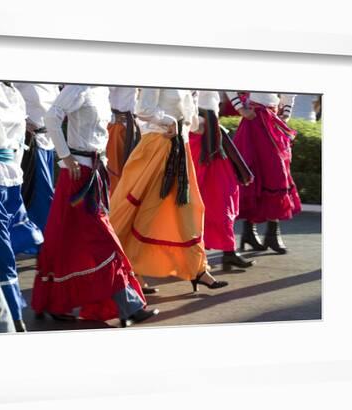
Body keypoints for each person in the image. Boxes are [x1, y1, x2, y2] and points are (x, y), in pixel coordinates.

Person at [31, 85, 159, 327]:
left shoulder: (101, 90)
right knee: (104, 240)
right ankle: (129, 307)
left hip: (95, 170)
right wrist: (65, 156)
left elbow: (99, 135)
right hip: (78, 174)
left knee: (65, 239)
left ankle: (51, 302)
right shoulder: (77, 88)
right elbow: (51, 117)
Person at [109, 88, 228, 292]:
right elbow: (143, 109)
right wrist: (169, 121)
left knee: (190, 209)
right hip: (157, 147)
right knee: (143, 212)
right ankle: (130, 270)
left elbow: (193, 125)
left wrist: (195, 108)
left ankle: (198, 270)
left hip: (181, 148)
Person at [0, 81, 44, 331]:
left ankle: (11, 314)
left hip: (11, 179)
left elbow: (18, 139)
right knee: (3, 253)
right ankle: (14, 316)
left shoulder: (13, 93)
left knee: (14, 244)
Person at [226, 91, 301, 254]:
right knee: (252, 175)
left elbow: (291, 89)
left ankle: (270, 234)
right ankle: (250, 232)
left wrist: (286, 113)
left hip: (273, 120)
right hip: (253, 119)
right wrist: (240, 109)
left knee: (276, 176)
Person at [189, 90, 255, 271]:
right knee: (194, 199)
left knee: (225, 195)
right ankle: (192, 256)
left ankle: (229, 252)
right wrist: (196, 124)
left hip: (213, 133)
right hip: (197, 135)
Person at [13, 83, 60, 234]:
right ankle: (39, 238)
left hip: (49, 141)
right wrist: (22, 120)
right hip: (32, 142)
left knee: (46, 192)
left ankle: (42, 236)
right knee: (42, 193)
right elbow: (2, 94)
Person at [106, 87, 140, 195]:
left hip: (134, 126)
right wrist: (112, 118)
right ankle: (114, 208)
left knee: (133, 174)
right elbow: (100, 91)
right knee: (115, 173)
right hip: (117, 127)